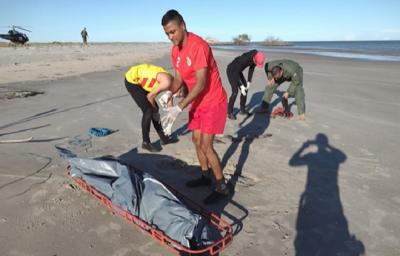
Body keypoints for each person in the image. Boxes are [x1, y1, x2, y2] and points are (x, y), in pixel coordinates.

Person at [161, 9, 229, 204]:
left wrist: (179, 107)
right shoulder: (176, 51)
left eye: (173, 31)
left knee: (207, 145)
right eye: (167, 33)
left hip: (213, 101)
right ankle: (205, 175)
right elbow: (179, 80)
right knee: (196, 140)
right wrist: (169, 93)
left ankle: (221, 186)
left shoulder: (199, 46)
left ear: (183, 26)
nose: (170, 37)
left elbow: (200, 83)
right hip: (197, 101)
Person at [124, 63, 177, 152]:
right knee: (148, 111)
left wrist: (171, 111)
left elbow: (170, 98)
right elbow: (150, 97)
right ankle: (145, 142)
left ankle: (163, 138)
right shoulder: (167, 82)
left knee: (155, 109)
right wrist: (155, 112)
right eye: (179, 95)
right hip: (132, 81)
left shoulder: (174, 82)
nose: (178, 96)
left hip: (142, 81)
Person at [227, 50, 265, 120]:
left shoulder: (256, 58)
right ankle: (229, 112)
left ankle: (242, 110)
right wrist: (241, 86)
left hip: (238, 71)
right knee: (235, 91)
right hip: (231, 70)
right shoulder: (245, 59)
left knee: (245, 90)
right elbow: (235, 72)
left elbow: (251, 69)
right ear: (254, 58)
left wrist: (248, 82)